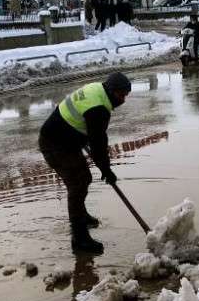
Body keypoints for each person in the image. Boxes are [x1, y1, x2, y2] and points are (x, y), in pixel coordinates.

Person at [38, 72, 132, 253]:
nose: (123, 100)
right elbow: (98, 142)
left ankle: (81, 216)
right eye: (121, 95)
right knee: (78, 183)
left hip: (66, 139)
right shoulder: (98, 108)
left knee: (84, 178)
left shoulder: (97, 89)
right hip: (55, 144)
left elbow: (89, 131)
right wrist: (106, 169)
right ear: (112, 91)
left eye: (125, 95)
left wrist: (103, 165)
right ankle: (79, 238)